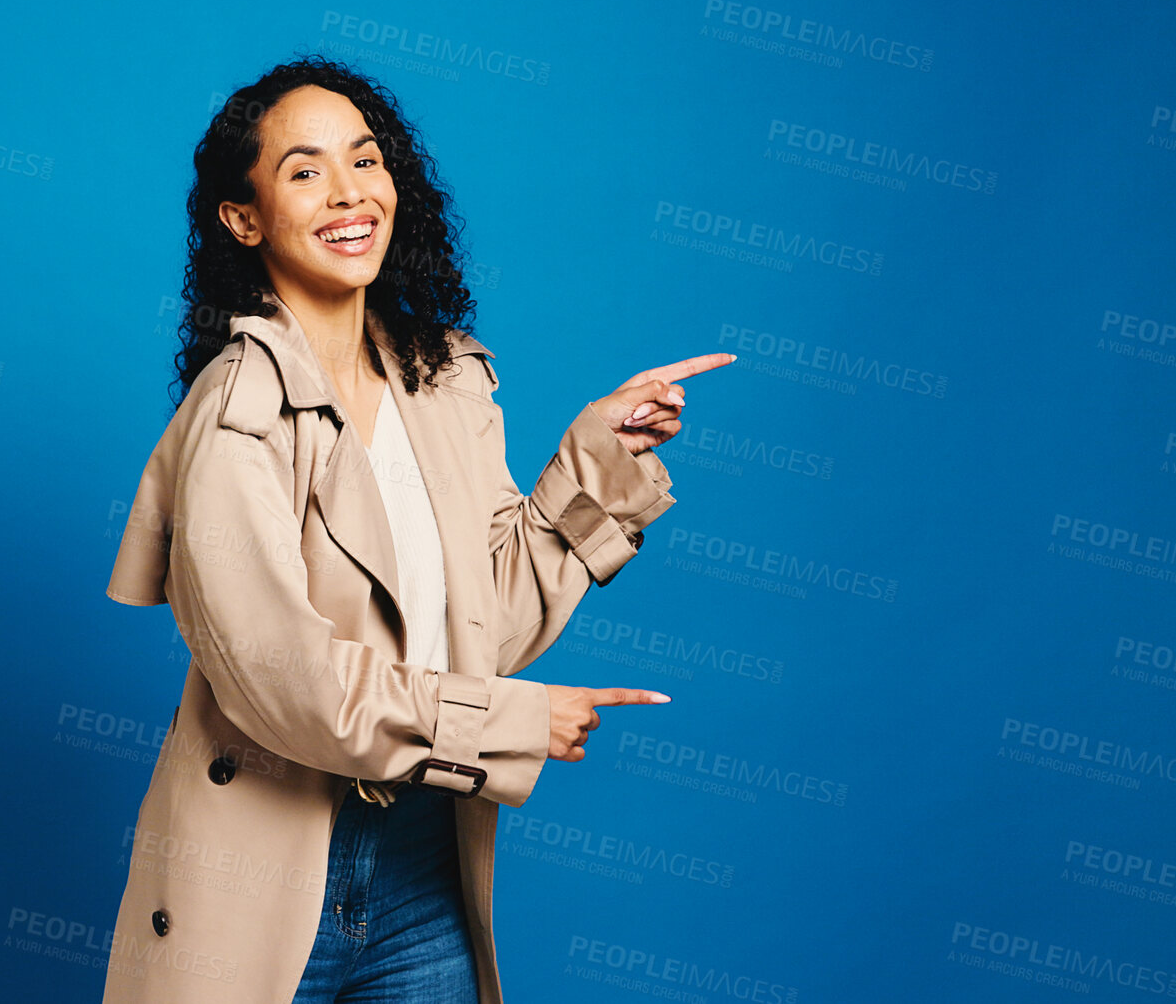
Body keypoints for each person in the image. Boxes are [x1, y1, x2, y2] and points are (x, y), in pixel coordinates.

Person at [102, 55, 733, 1004]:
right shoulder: (237, 409)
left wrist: (597, 454)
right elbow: (284, 677)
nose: (349, 193)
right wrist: (512, 722)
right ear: (243, 218)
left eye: (366, 159)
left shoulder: (442, 381)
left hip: (422, 852)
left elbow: (487, 620)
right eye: (304, 171)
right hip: (270, 866)